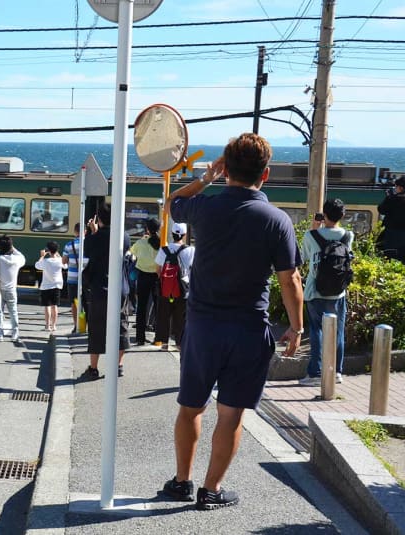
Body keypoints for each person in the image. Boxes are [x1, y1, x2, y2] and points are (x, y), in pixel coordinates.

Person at [160, 133, 303, 511]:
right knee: (231, 412)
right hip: (248, 330)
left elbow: (173, 201)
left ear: (226, 170)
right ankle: (211, 489)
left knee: (191, 406)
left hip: (203, 326)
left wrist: (206, 177)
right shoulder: (277, 220)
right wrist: (296, 326)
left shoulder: (206, 208)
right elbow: (290, 280)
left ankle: (180, 482)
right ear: (266, 175)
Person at [299, 199, 354, 386]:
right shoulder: (348, 236)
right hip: (339, 293)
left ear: (324, 215)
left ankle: (315, 373)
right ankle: (336, 372)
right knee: (338, 332)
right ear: (342, 216)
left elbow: (302, 257)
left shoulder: (311, 235)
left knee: (317, 331)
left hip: (315, 292)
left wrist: (315, 228)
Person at [78, 203, 131, 380]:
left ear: (98, 219)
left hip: (100, 288)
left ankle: (93, 368)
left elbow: (90, 252)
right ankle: (119, 366)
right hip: (120, 289)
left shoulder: (95, 237)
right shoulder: (124, 236)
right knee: (121, 326)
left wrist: (93, 232)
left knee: (97, 327)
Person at [153, 222, 195, 349]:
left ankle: (164, 343)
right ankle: (179, 343)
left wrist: (166, 281)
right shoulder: (191, 250)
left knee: (163, 314)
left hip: (166, 289)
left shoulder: (164, 249)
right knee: (180, 317)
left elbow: (158, 270)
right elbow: (192, 269)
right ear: (184, 234)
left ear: (171, 234)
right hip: (183, 288)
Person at [129, 217, 161, 345]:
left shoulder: (141, 243)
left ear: (147, 229)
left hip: (142, 276)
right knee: (158, 308)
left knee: (141, 308)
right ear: (159, 229)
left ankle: (140, 338)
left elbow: (132, 253)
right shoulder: (162, 242)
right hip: (157, 277)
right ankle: (158, 337)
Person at [35, 240, 66, 332]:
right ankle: (54, 326)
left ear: (48, 250)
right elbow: (65, 266)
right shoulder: (59, 261)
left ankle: (47, 326)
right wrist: (58, 254)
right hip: (57, 286)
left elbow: (37, 265)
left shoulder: (45, 261)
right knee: (54, 306)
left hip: (46, 286)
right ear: (56, 250)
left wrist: (41, 256)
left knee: (47, 306)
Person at [377, 176, 405, 262]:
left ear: (401, 188)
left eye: (396, 186)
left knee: (388, 255)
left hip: (392, 235)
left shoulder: (393, 199)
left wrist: (389, 197)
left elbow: (381, 209)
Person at [62, 223, 82, 334]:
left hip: (73, 278)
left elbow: (64, 261)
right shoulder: (89, 243)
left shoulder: (69, 245)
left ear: (75, 232)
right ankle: (85, 325)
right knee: (86, 302)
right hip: (87, 278)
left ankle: (76, 326)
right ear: (85, 231)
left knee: (74, 303)